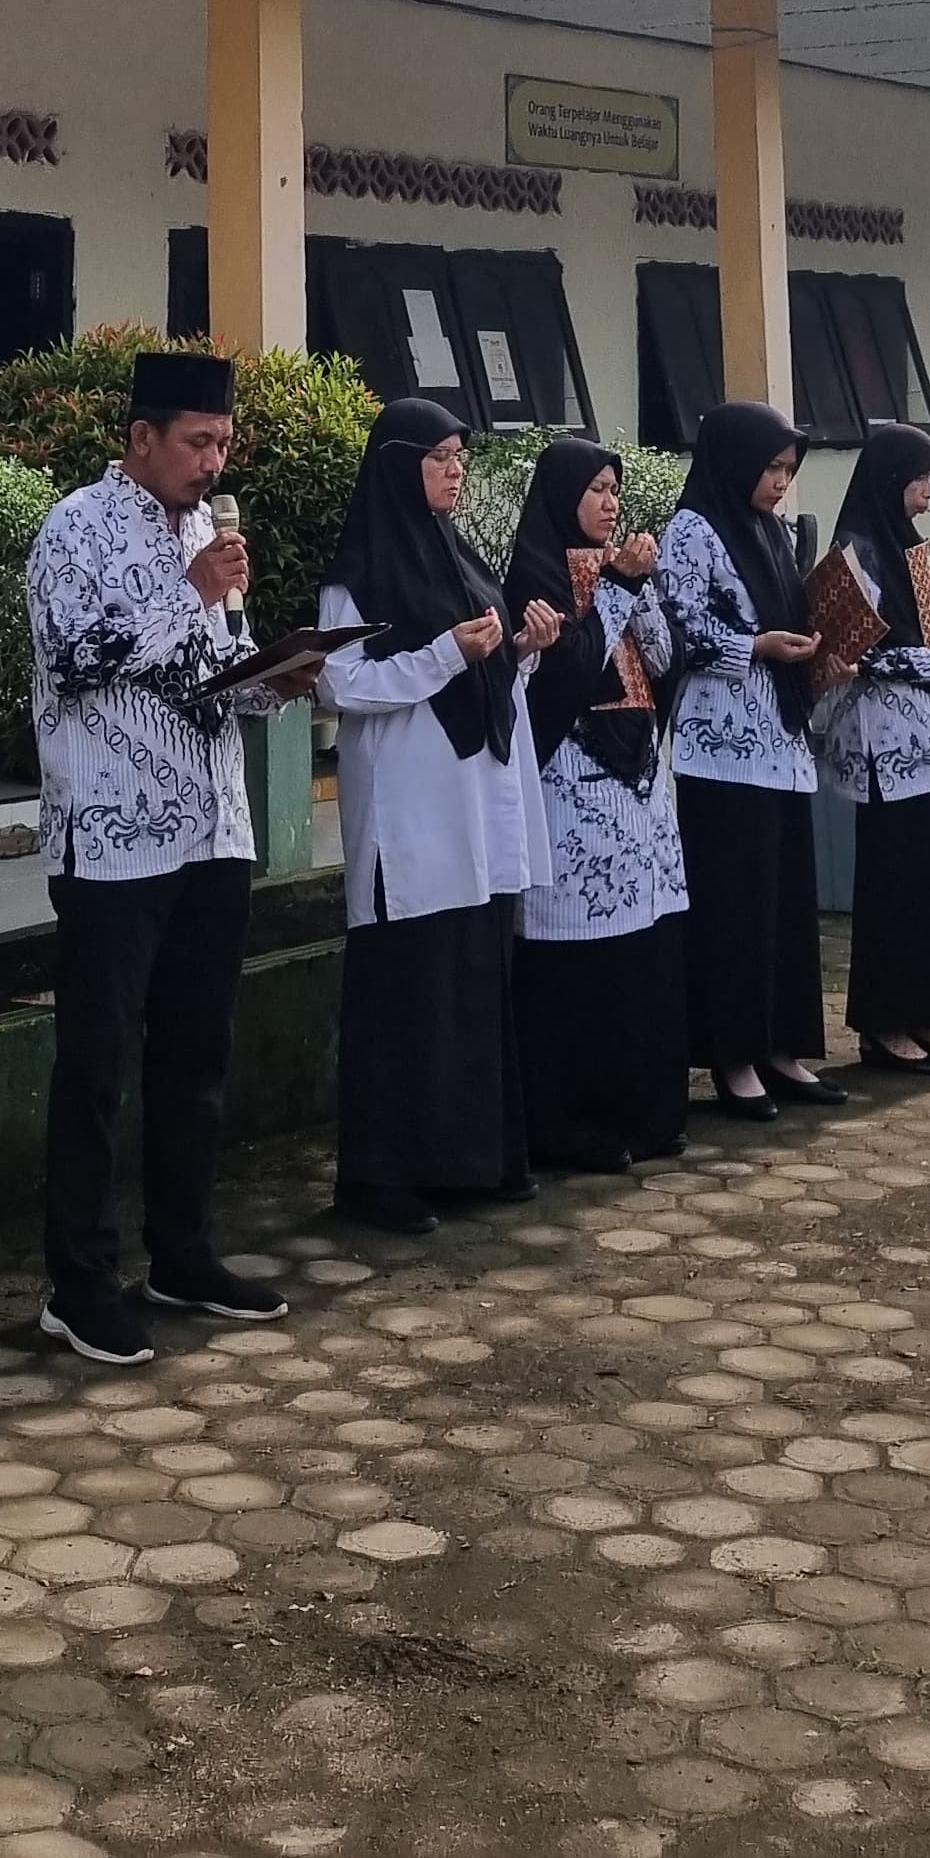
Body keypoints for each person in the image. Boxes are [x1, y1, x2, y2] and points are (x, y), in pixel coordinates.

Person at [28, 348, 316, 1364]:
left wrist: (275, 679)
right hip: (112, 842)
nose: (213, 462)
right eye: (198, 442)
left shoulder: (206, 533)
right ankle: (78, 1287)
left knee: (196, 1057)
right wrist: (188, 591)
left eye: (223, 443)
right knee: (98, 1066)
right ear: (141, 438)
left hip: (211, 833)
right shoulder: (74, 528)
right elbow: (75, 659)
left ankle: (182, 1256)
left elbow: (210, 673)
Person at [316, 396, 563, 1234]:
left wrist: (520, 652)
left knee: (470, 978)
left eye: (460, 458)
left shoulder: (461, 555)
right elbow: (341, 684)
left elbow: (483, 671)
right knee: (409, 988)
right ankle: (382, 1178)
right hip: (409, 811)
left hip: (474, 802)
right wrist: (443, 654)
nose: (456, 472)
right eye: (440, 459)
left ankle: (471, 1161)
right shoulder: (360, 572)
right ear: (399, 466)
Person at [503, 438, 690, 1174]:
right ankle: (570, 1125)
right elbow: (570, 671)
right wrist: (612, 586)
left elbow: (664, 659)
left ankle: (646, 1113)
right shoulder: (535, 573)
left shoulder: (620, 568)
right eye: (597, 490)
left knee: (643, 946)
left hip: (640, 776)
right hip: (573, 776)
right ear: (563, 496)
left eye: (616, 490)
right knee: (580, 956)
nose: (611, 504)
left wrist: (638, 590)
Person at [656, 400, 836, 1122]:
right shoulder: (693, 529)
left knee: (785, 903)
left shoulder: (771, 531)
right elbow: (674, 628)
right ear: (734, 462)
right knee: (734, 907)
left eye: (788, 469)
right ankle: (733, 1058)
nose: (780, 482)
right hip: (721, 750)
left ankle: (781, 1047)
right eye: (771, 468)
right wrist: (753, 647)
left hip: (781, 743)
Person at [815, 422, 930, 1073]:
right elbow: (856, 654)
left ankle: (929, 1014)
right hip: (885, 745)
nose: (928, 494)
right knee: (897, 879)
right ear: (891, 480)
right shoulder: (852, 556)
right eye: (921, 480)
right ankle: (884, 1025)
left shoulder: (914, 550)